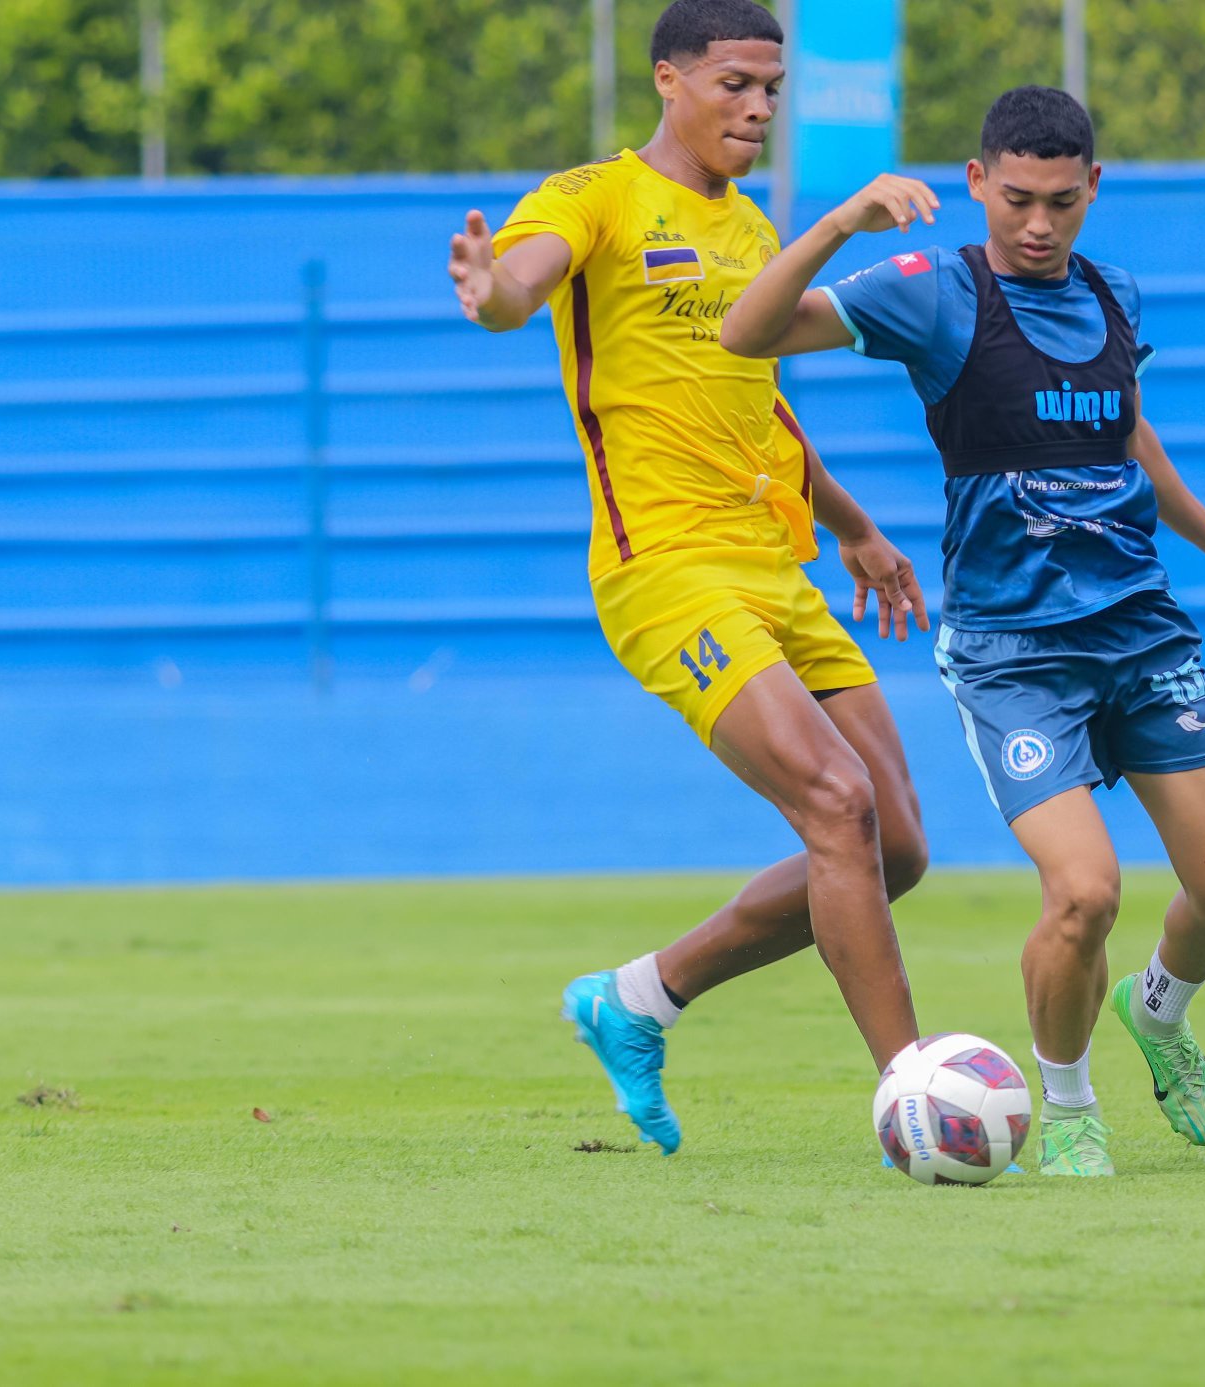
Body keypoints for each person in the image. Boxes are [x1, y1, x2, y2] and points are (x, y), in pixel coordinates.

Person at [722, 86, 1205, 1176]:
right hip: (1014, 653)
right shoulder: (934, 292)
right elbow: (749, 335)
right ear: (977, 183)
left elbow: (1124, 427)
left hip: (1140, 633)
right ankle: (1069, 1104)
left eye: (1063, 204)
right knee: (1084, 891)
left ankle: (1158, 1011)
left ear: (1092, 192)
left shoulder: (1112, 297)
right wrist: (842, 223)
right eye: (1017, 200)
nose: (1038, 226)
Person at [445, 0, 933, 1154]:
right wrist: (497, 292)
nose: (758, 108)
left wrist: (855, 526)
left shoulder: (752, 231)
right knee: (836, 803)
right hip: (663, 568)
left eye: (772, 88)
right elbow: (523, 279)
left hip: (779, 566)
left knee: (897, 847)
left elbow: (760, 403)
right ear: (668, 79)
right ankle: (913, 1091)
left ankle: (641, 995)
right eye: (733, 84)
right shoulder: (599, 196)